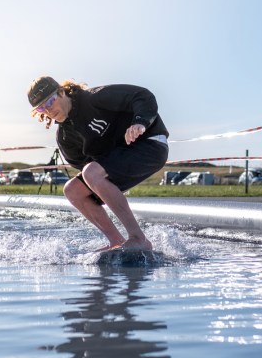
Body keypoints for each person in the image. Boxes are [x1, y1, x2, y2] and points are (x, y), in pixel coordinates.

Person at [27, 76, 169, 251]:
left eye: (50, 102)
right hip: (121, 159)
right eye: (41, 108)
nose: (47, 110)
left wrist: (140, 122)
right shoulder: (65, 138)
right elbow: (87, 168)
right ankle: (115, 241)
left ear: (61, 92)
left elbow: (143, 96)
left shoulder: (94, 98)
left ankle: (138, 238)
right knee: (72, 190)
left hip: (150, 144)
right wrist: (105, 188)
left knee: (91, 173)